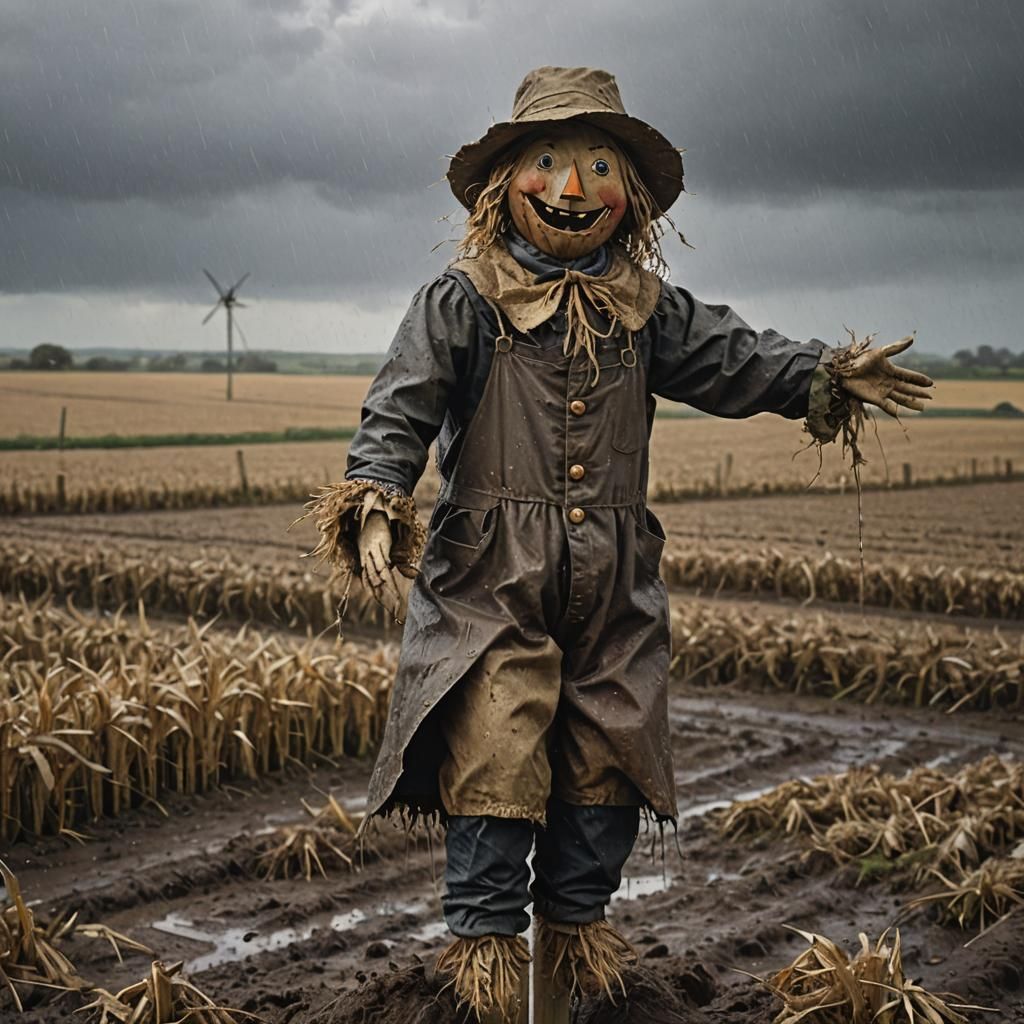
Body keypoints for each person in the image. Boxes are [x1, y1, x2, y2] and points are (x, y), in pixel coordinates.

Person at [301, 66, 933, 1021]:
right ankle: (487, 997)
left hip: (617, 588)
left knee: (604, 773)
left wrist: (827, 374)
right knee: (495, 766)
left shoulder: (648, 308)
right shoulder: (464, 298)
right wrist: (378, 495)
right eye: (547, 161)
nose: (570, 187)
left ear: (628, 194)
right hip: (489, 583)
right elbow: (401, 405)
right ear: (505, 180)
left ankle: (561, 995)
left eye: (597, 165)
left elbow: (738, 356)